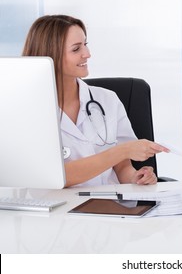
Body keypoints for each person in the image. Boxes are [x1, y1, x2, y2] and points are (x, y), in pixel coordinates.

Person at [22, 15, 168, 187]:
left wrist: (135, 177)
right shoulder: (26, 109)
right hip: (56, 208)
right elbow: (54, 176)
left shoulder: (107, 100)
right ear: (50, 55)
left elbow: (122, 166)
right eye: (76, 49)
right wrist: (122, 151)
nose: (87, 54)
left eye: (85, 45)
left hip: (110, 206)